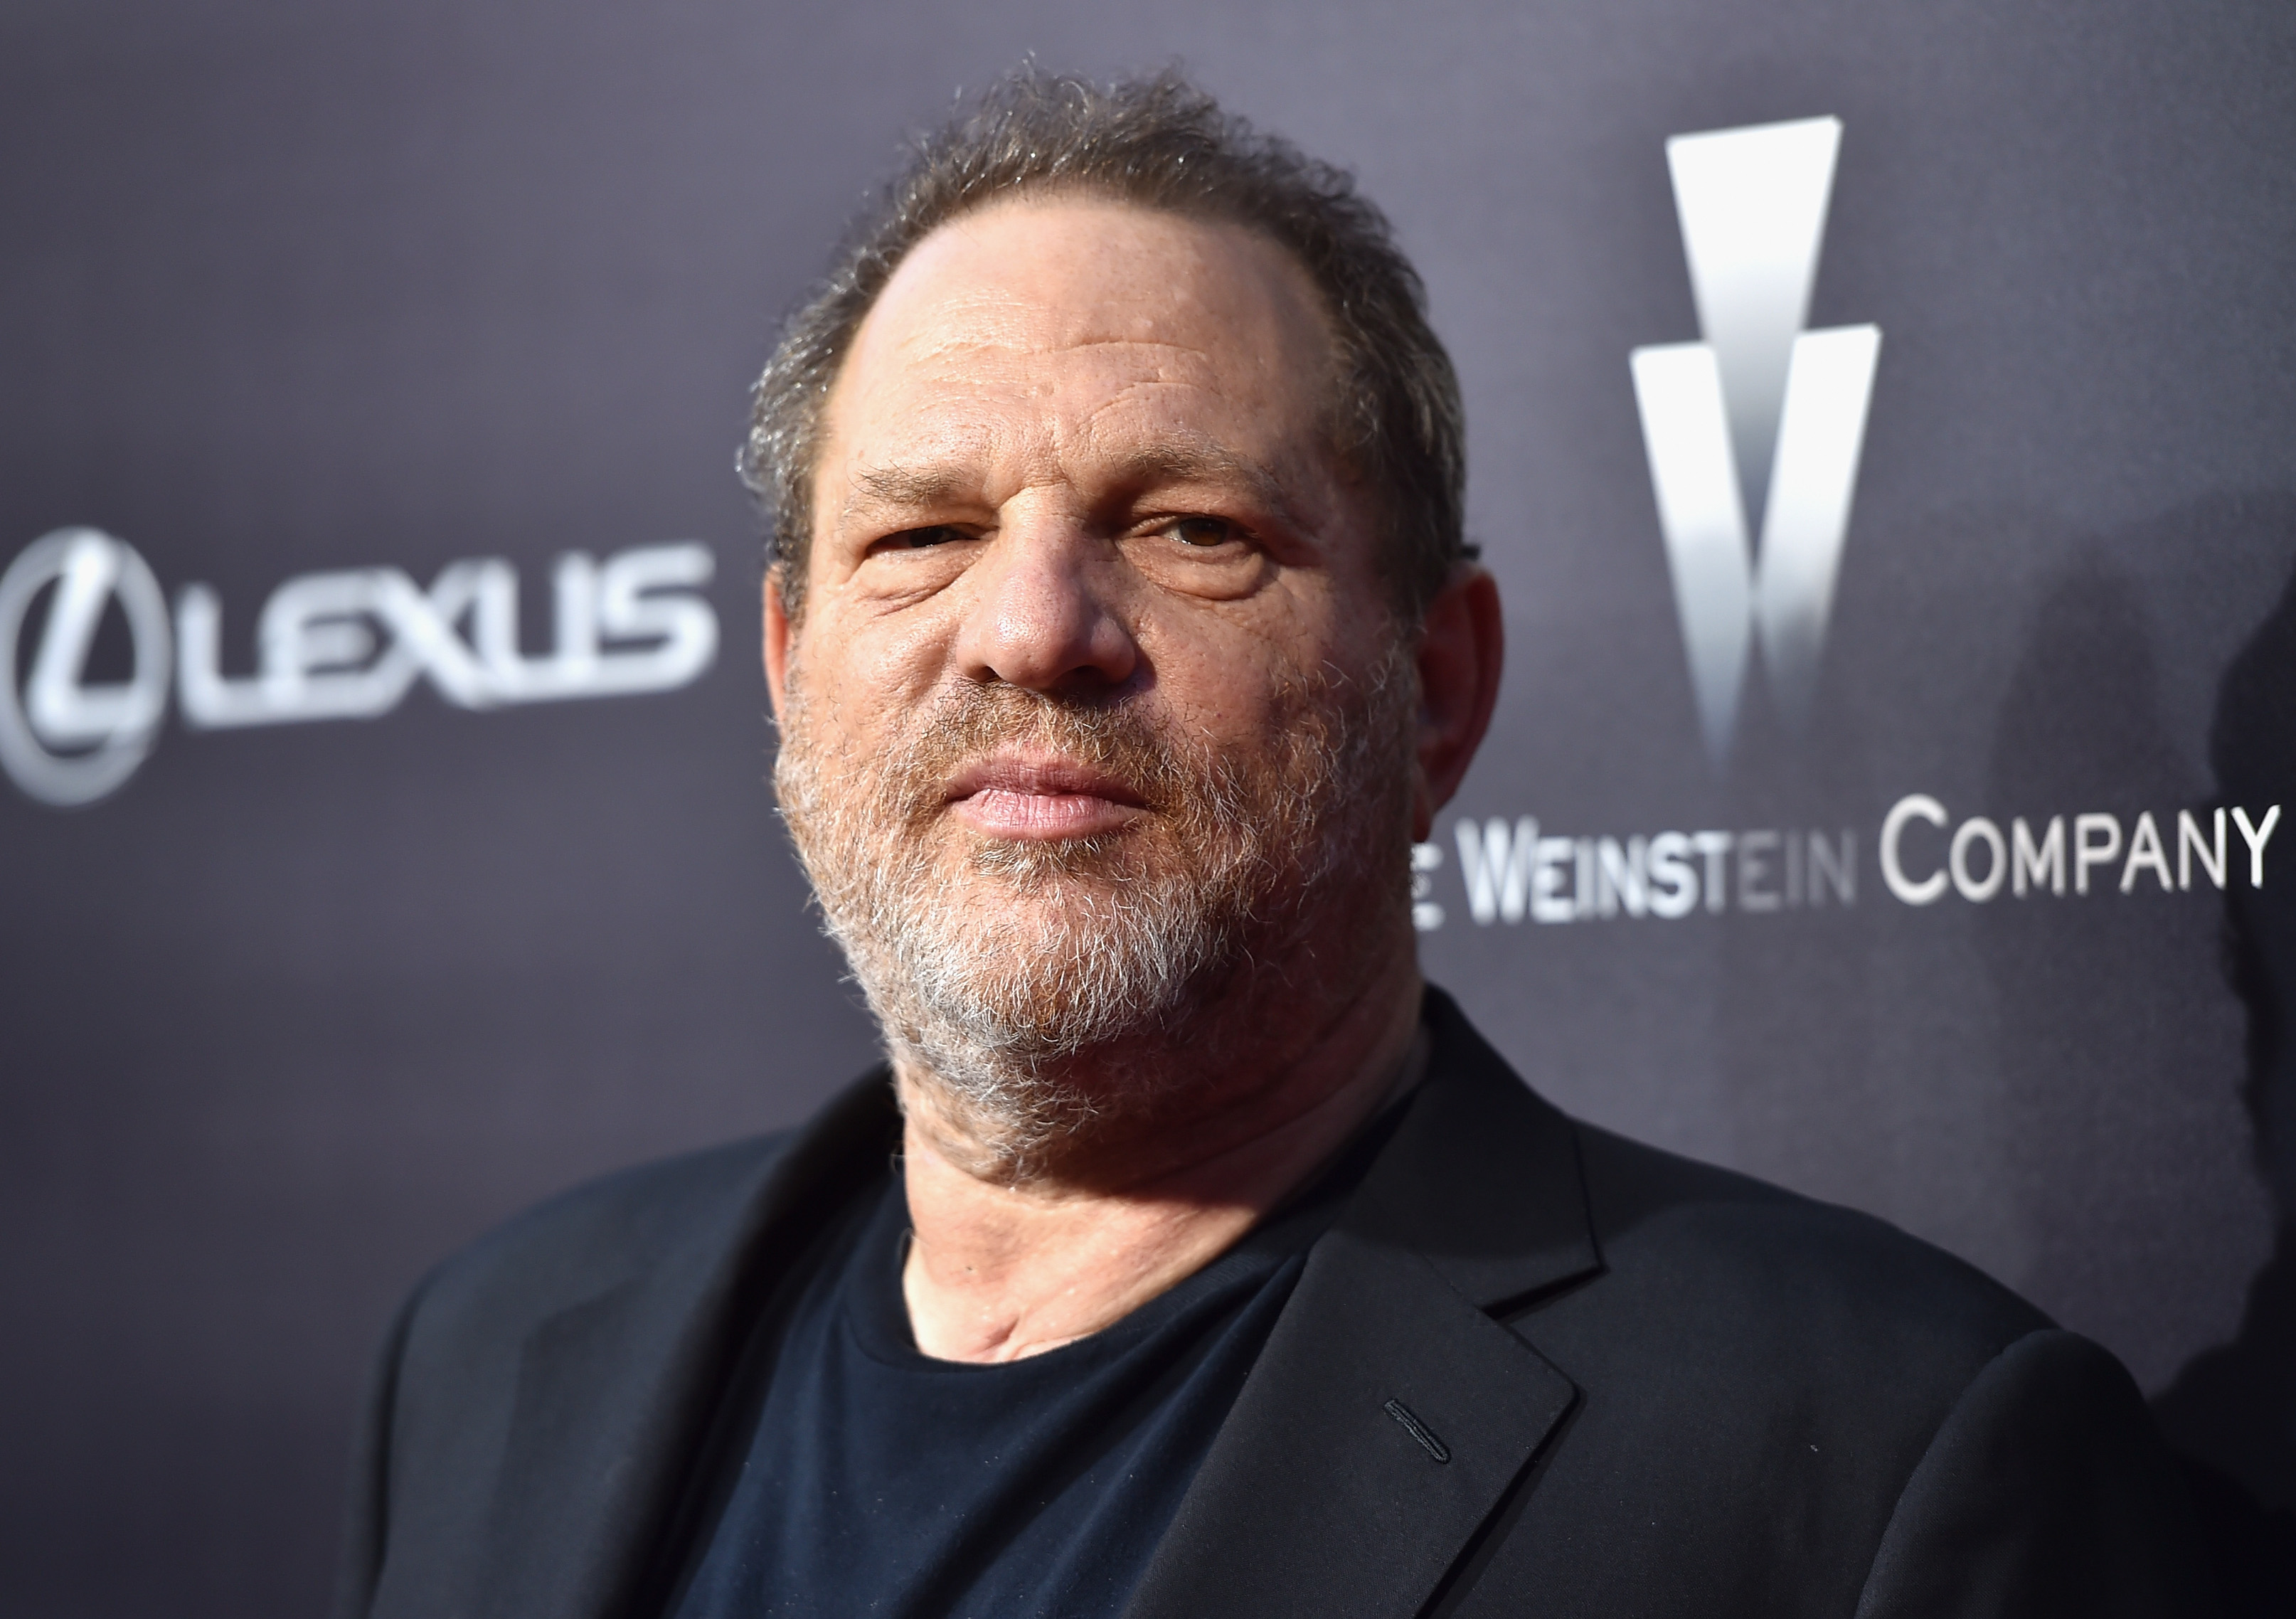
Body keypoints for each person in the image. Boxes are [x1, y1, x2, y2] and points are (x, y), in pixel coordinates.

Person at [333, 67, 2216, 1619]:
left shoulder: (1884, 1464)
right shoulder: (493, 1359)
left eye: (1190, 529)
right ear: (788, 663)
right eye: (917, 535)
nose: (1030, 627)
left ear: (1437, 685)